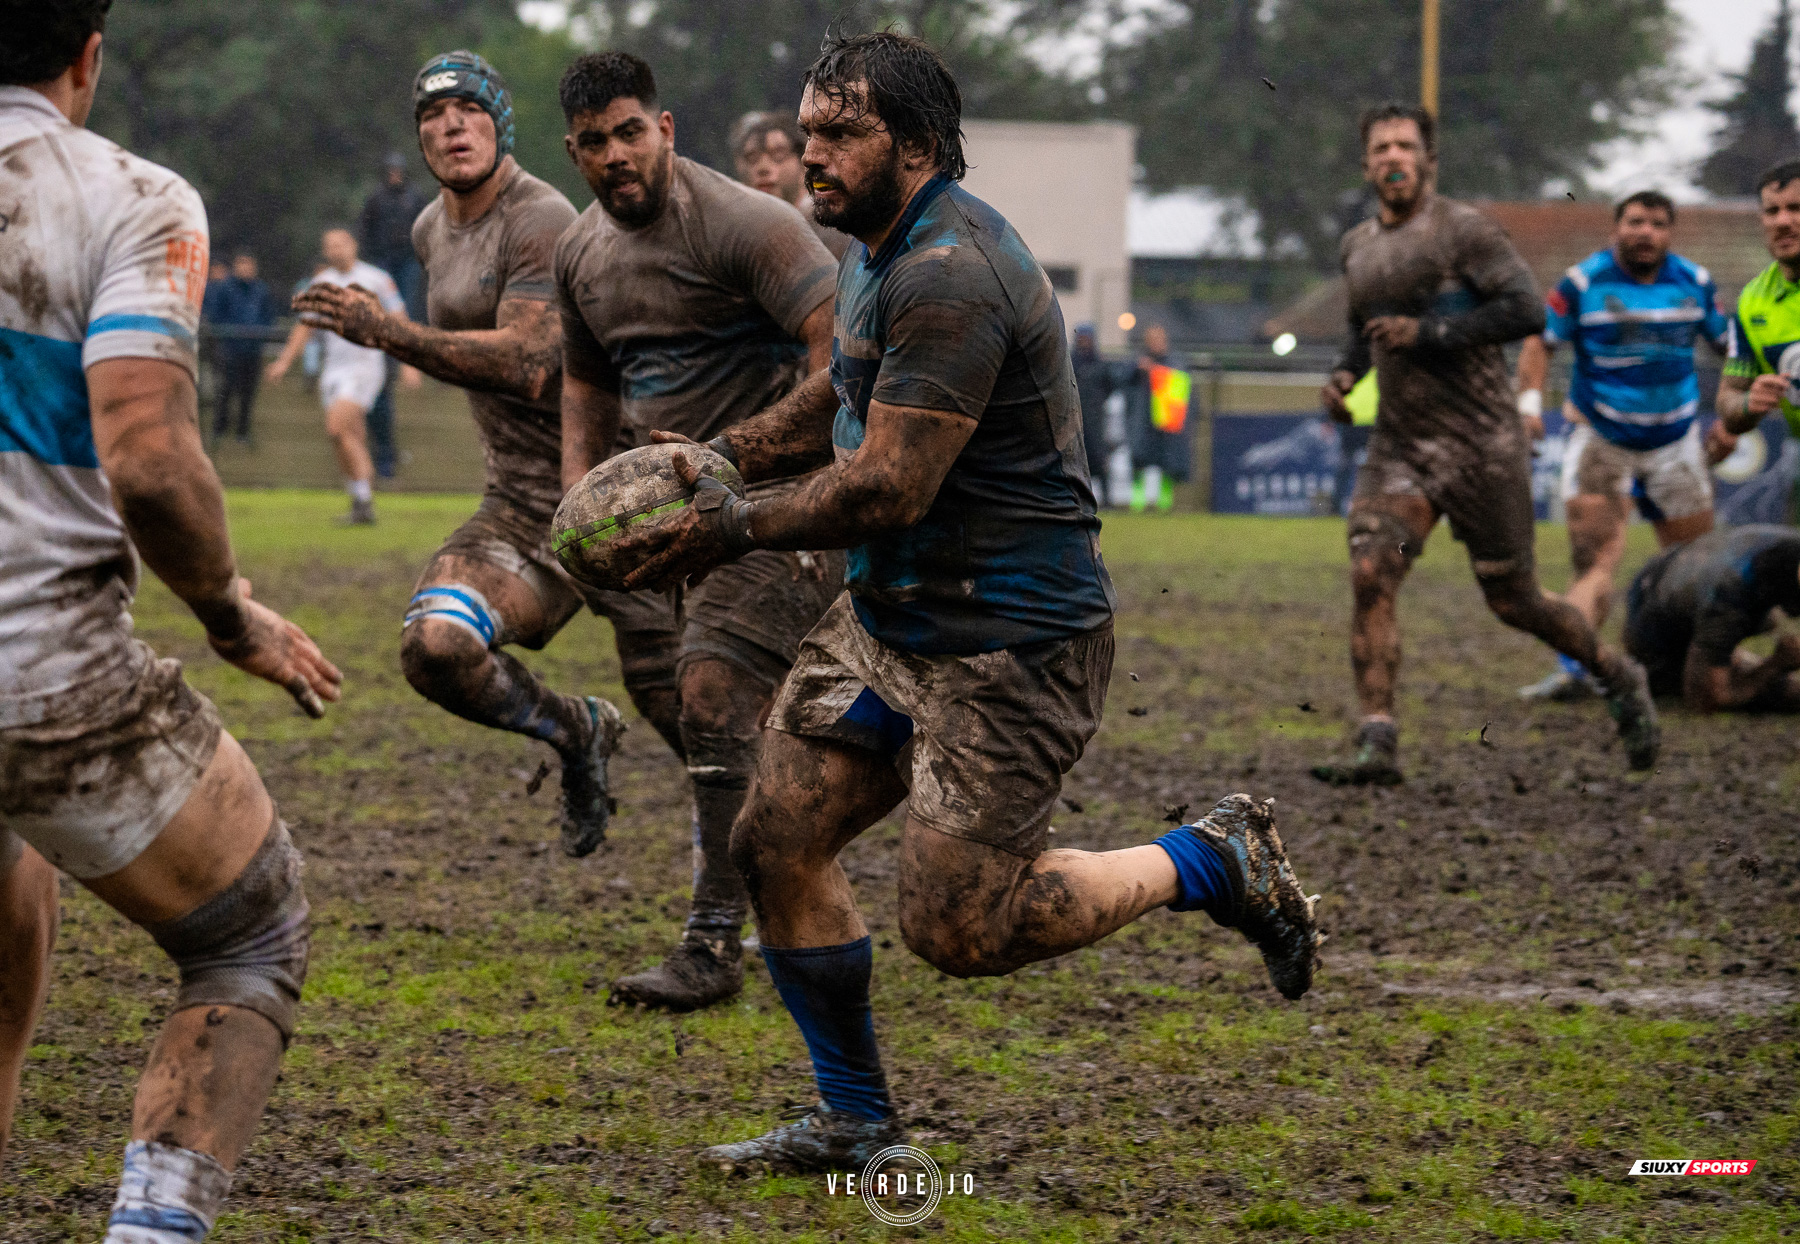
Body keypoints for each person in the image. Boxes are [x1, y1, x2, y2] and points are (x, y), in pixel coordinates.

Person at [607, 31, 1322, 1172]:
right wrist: (727, 456)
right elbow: (837, 396)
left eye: (841, 133)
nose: (812, 156)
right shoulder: (874, 246)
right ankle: (856, 1115)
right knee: (774, 837)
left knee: (962, 928)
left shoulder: (952, 273)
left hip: (1012, 642)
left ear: (921, 145)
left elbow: (889, 484)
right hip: (894, 622)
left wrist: (722, 526)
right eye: (807, 133)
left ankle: (1211, 855)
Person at [0, 7, 343, 1241]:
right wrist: (226, 612)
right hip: (37, 676)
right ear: (88, 53)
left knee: (13, 867)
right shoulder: (131, 195)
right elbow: (147, 462)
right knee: (252, 928)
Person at [555, 52, 846, 1010]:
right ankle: (788, 868)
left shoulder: (750, 225)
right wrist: (577, 510)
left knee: (714, 690)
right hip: (665, 517)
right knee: (690, 706)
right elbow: (590, 384)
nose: (615, 154)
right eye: (595, 142)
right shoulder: (580, 255)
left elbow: (843, 357)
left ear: (667, 129)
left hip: (780, 505)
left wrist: (741, 458)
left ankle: (713, 946)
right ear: (575, 153)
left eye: (630, 131)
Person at [292, 51, 630, 857]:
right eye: (433, 117)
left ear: (500, 121)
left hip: (614, 493)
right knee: (435, 647)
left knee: (695, 700)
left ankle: (726, 917)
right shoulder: (427, 228)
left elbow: (528, 361)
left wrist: (388, 332)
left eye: (469, 110)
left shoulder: (539, 218)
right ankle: (576, 729)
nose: (451, 126)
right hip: (517, 502)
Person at [1314, 103, 1658, 786]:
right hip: (1402, 448)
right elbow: (1363, 325)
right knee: (1370, 572)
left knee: (1515, 601)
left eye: (1405, 146)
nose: (1393, 157)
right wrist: (1345, 373)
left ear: (1428, 160)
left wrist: (1430, 334)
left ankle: (1618, 675)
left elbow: (1526, 310)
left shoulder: (1464, 232)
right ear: (1366, 163)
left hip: (1483, 445)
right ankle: (1376, 738)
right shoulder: (1358, 246)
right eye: (1381, 147)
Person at [1513, 191, 1732, 702]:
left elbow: (1732, 352)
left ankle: (1699, 666)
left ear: (1670, 233)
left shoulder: (1695, 283)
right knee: (1595, 563)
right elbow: (1538, 342)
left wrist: (1735, 418)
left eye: (1657, 223)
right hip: (1601, 440)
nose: (1645, 232)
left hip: (1676, 443)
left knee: (1692, 564)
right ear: (1617, 228)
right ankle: (1575, 670)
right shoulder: (1583, 282)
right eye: (1635, 221)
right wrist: (1528, 404)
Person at [265, 229, 420, 525]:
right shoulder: (322, 283)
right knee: (348, 437)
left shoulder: (376, 278)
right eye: (329, 246)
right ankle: (362, 502)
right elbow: (305, 325)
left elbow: (400, 321)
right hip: (333, 368)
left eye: (340, 244)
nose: (335, 250)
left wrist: (409, 364)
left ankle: (363, 494)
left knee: (336, 428)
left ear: (353, 245)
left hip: (365, 365)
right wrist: (284, 361)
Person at [1621, 525, 1800, 712]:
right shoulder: (1728, 602)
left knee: (1768, 623)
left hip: (1662, 579)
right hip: (1652, 644)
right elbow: (1706, 700)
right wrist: (1777, 664)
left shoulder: (1787, 546)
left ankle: (1722, 657)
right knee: (1790, 694)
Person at [1717, 159, 1800, 528]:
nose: (1783, 221)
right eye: (1772, 211)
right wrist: (1750, 403)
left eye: (1796, 208)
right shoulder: (1752, 302)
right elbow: (1728, 401)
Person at [730, 109, 852, 259]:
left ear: (803, 161)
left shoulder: (831, 223)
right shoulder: (740, 235)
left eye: (778, 154)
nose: (762, 168)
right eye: (752, 157)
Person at [201, 250, 276, 444]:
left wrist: (259, 333)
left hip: (252, 350)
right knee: (225, 389)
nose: (245, 268)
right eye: (242, 264)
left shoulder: (261, 289)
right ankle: (219, 428)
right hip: (230, 349)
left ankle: (243, 431)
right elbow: (216, 315)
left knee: (248, 392)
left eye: (249, 264)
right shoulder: (225, 288)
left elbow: (268, 316)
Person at [1125, 322, 1193, 512]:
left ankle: (1164, 502)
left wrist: (1155, 370)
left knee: (1168, 461)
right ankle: (1137, 501)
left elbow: (1182, 385)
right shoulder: (1137, 360)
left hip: (1166, 420)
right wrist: (1139, 369)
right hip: (1143, 419)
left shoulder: (1175, 361)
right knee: (1139, 459)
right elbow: (1123, 378)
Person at [1071, 322, 1120, 495]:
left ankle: (1107, 498)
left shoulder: (1100, 364)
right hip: (1073, 418)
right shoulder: (1069, 362)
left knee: (1099, 458)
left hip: (1095, 419)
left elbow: (1109, 386)